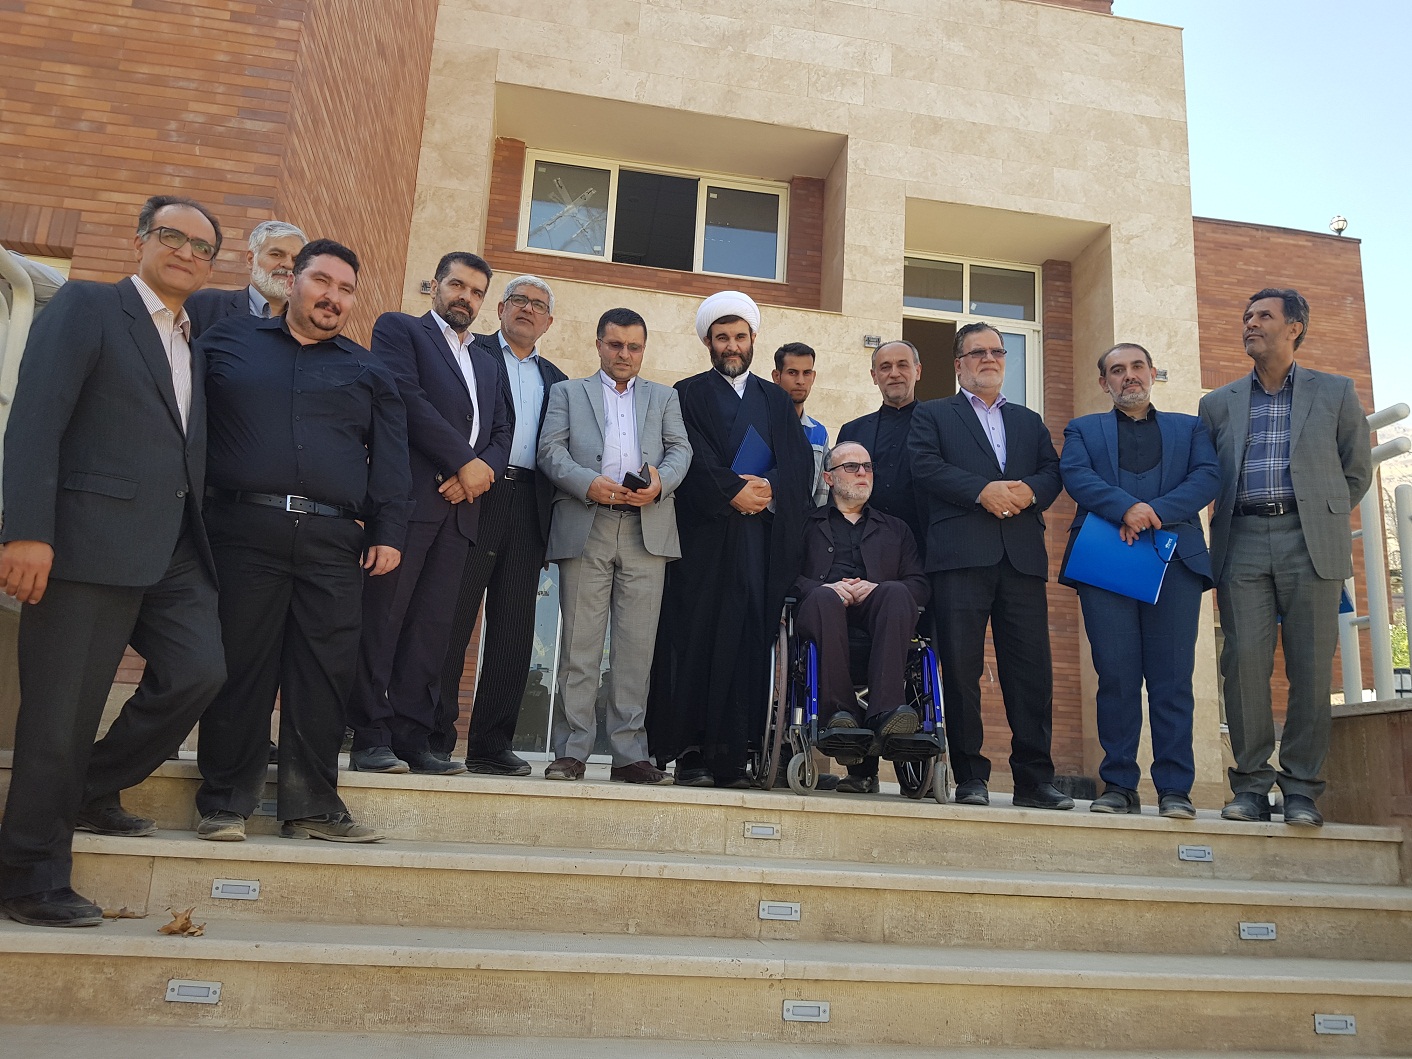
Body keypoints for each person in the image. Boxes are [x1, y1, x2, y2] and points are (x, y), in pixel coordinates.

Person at [0, 195, 228, 926]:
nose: (186, 252)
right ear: (140, 241)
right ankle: (29, 877)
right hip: (84, 542)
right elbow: (37, 416)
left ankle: (90, 786)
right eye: (171, 236)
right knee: (59, 717)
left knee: (199, 671)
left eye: (201, 246)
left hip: (172, 548)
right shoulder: (90, 306)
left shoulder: (193, 339)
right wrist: (25, 531)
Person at [192, 239, 411, 844]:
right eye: (322, 281)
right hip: (242, 532)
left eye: (346, 289)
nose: (332, 297)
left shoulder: (370, 370)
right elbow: (188, 427)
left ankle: (313, 807)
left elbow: (391, 459)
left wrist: (389, 531)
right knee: (241, 669)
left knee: (324, 676)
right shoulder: (226, 343)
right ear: (291, 282)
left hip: (333, 541)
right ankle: (224, 804)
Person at [1199, 288, 1372, 827]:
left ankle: (1301, 789)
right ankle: (1250, 787)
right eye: (1246, 316)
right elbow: (1207, 474)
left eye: (1263, 316)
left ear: (1294, 327)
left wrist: (1320, 512)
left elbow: (1356, 470)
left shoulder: (1337, 391)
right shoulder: (1218, 402)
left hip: (1310, 540)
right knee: (1243, 666)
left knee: (1312, 669)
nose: (1250, 324)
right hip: (1242, 538)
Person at [346, 252, 512, 776]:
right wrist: (464, 462)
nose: (466, 297)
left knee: (431, 631)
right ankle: (369, 737)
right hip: (410, 503)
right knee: (383, 622)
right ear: (436, 285)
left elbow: (503, 429)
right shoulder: (400, 330)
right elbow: (406, 399)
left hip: (460, 513)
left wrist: (481, 472)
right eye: (457, 285)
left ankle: (413, 739)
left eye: (477, 292)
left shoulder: (487, 361)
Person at [647, 291, 814, 787]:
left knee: (746, 642)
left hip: (759, 545)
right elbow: (688, 454)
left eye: (740, 336)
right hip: (704, 543)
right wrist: (731, 492)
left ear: (753, 338)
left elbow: (798, 462)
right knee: (696, 638)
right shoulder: (686, 393)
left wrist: (770, 488)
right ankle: (692, 754)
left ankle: (736, 756)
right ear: (708, 342)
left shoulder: (775, 399)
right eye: (722, 337)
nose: (732, 345)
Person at [908, 321, 1069, 809]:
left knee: (1032, 673)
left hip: (1021, 559)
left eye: (997, 352)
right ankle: (970, 776)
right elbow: (924, 466)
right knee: (961, 670)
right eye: (978, 352)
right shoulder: (934, 414)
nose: (990, 359)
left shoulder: (1028, 420)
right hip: (959, 557)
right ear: (959, 364)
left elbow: (1052, 472)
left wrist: (1029, 492)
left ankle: (1034, 781)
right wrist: (982, 491)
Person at [1060, 343, 1221, 819]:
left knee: (1173, 680)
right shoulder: (1082, 429)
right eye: (1116, 370)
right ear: (1103, 382)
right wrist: (1125, 508)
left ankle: (1175, 789)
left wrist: (1153, 512)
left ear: (1152, 373)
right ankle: (1118, 785)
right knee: (1116, 676)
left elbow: (1207, 477)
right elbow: (1076, 475)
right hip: (1105, 562)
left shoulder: (1190, 427)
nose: (1128, 376)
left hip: (1175, 563)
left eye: (1136, 367)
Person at [536, 308, 692, 783]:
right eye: (616, 344)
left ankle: (629, 755)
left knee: (636, 649)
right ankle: (572, 751)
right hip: (588, 522)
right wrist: (588, 483)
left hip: (648, 528)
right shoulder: (567, 392)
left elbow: (681, 449)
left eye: (634, 347)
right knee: (579, 646)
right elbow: (550, 450)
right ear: (599, 344)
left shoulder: (665, 396)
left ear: (643, 350)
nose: (625, 354)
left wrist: (660, 482)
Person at [437, 276, 567, 774]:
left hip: (530, 504)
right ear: (501, 309)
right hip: (476, 495)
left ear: (549, 322)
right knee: (452, 620)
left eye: (539, 305)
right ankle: (432, 737)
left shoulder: (558, 380)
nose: (528, 310)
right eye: (519, 301)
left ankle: (491, 746)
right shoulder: (473, 354)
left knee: (514, 629)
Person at [794, 441, 929, 770]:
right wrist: (825, 588)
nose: (862, 473)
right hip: (821, 611)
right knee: (824, 598)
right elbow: (784, 578)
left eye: (867, 467)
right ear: (828, 478)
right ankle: (839, 714)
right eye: (851, 467)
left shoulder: (896, 529)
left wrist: (877, 588)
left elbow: (920, 585)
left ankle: (886, 712)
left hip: (879, 615)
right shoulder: (804, 525)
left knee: (897, 592)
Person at [836, 339, 927, 793]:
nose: (894, 373)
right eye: (885, 366)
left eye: (902, 365)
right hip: (856, 552)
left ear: (918, 371)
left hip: (913, 557)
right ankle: (861, 769)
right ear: (873, 375)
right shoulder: (854, 430)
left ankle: (912, 750)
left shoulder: (938, 421)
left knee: (914, 658)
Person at [185, 219, 307, 336]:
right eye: (276, 254)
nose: (288, 264)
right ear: (250, 259)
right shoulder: (205, 305)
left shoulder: (309, 326)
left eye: (296, 259)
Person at [772, 342, 829, 507]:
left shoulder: (819, 433)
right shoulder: (761, 425)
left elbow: (821, 493)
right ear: (776, 376)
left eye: (807, 373)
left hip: (805, 520)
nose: (800, 381)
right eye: (792, 373)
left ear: (813, 376)